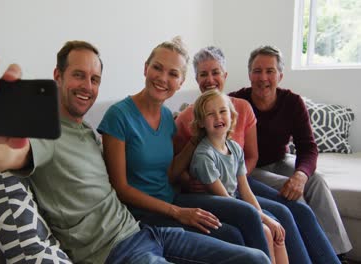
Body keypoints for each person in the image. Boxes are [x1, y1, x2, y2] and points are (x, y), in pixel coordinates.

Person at [0, 40, 270, 264]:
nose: (88, 86)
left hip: (145, 231)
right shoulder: (43, 134)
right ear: (58, 76)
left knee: (254, 257)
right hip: (115, 251)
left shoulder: (86, 131)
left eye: (95, 78)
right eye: (78, 76)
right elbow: (11, 156)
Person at [97, 37, 271, 257]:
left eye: (173, 74)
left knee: (247, 213)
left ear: (180, 83)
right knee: (232, 235)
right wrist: (178, 213)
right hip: (144, 212)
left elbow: (169, 173)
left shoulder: (168, 118)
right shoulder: (118, 116)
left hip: (172, 198)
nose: (162, 78)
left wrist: (195, 140)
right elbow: (120, 189)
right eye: (157, 68)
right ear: (145, 68)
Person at [175, 46, 340, 263]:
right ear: (196, 79)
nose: (210, 79)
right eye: (203, 74)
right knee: (282, 213)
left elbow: (251, 156)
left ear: (225, 75)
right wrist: (188, 181)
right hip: (219, 188)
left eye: (216, 72)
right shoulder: (188, 120)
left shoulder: (240, 108)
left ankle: (334, 257)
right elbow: (176, 167)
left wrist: (239, 176)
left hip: (243, 177)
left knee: (303, 200)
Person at [230, 45, 352, 261]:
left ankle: (336, 252)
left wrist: (301, 174)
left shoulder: (292, 102)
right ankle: (311, 251)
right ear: (249, 75)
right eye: (257, 71)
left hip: (280, 159)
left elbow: (308, 147)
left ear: (280, 75)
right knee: (291, 192)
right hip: (251, 168)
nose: (263, 77)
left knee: (316, 181)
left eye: (270, 71)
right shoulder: (236, 102)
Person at [189, 89, 288, 264]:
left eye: (222, 111)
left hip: (236, 205)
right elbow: (225, 199)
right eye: (210, 114)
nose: (218, 117)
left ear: (231, 116)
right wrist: (262, 219)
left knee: (276, 229)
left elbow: (245, 189)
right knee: (265, 230)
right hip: (217, 209)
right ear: (202, 123)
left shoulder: (234, 148)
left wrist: (264, 216)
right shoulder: (204, 156)